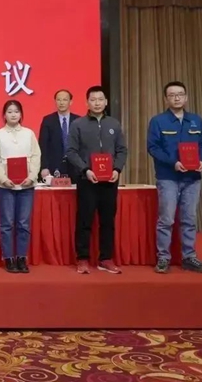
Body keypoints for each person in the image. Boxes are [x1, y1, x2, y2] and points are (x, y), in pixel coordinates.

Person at [147, 81, 202, 274]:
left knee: (189, 219)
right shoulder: (158, 121)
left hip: (192, 178)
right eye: (172, 95)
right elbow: (153, 148)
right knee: (166, 219)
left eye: (180, 94)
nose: (176, 98)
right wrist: (173, 162)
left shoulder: (196, 120)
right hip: (168, 177)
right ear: (166, 99)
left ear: (186, 97)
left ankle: (189, 257)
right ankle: (163, 258)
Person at [66, 85, 128, 274]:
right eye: (93, 100)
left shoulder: (114, 124)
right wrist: (85, 170)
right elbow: (71, 151)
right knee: (84, 220)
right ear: (87, 103)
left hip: (109, 181)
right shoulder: (78, 124)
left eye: (100, 99)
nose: (97, 103)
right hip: (87, 180)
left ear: (106, 102)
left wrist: (117, 169)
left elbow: (122, 150)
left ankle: (105, 258)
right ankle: (83, 258)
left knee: (108, 221)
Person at [0, 100, 41, 273]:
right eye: (10, 111)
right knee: (7, 224)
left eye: (16, 111)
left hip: (27, 186)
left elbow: (36, 156)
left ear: (21, 114)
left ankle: (21, 257)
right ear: (4, 115)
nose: (13, 114)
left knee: (23, 224)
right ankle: (9, 258)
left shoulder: (29, 133)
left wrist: (32, 177)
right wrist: (3, 179)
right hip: (5, 187)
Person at [39, 89, 80, 181]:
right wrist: (44, 166)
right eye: (59, 100)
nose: (61, 103)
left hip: (75, 166)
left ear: (71, 102)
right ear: (55, 102)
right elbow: (43, 145)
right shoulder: (48, 120)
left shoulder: (78, 120)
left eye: (65, 100)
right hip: (54, 165)